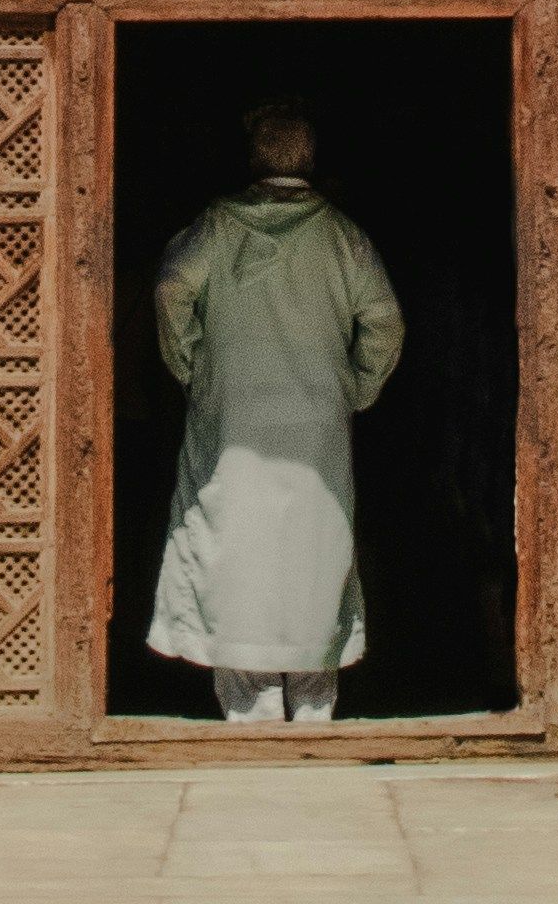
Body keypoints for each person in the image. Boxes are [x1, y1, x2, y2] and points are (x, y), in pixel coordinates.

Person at [145, 98, 405, 722]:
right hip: (317, 425)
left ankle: (249, 713)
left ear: (253, 158)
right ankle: (313, 711)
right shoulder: (343, 237)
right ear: (310, 161)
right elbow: (384, 320)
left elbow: (170, 287)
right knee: (314, 552)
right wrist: (357, 387)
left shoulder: (216, 227)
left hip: (230, 418)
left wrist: (194, 367)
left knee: (236, 548)